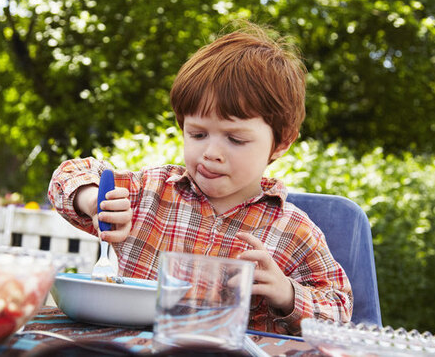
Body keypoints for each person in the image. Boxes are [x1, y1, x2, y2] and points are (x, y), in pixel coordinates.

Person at [48, 22, 352, 335]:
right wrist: (93, 201)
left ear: (282, 142)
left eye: (235, 139)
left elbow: (340, 312)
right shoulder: (151, 193)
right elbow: (67, 175)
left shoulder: (294, 232)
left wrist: (287, 293)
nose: (211, 153)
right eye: (197, 134)